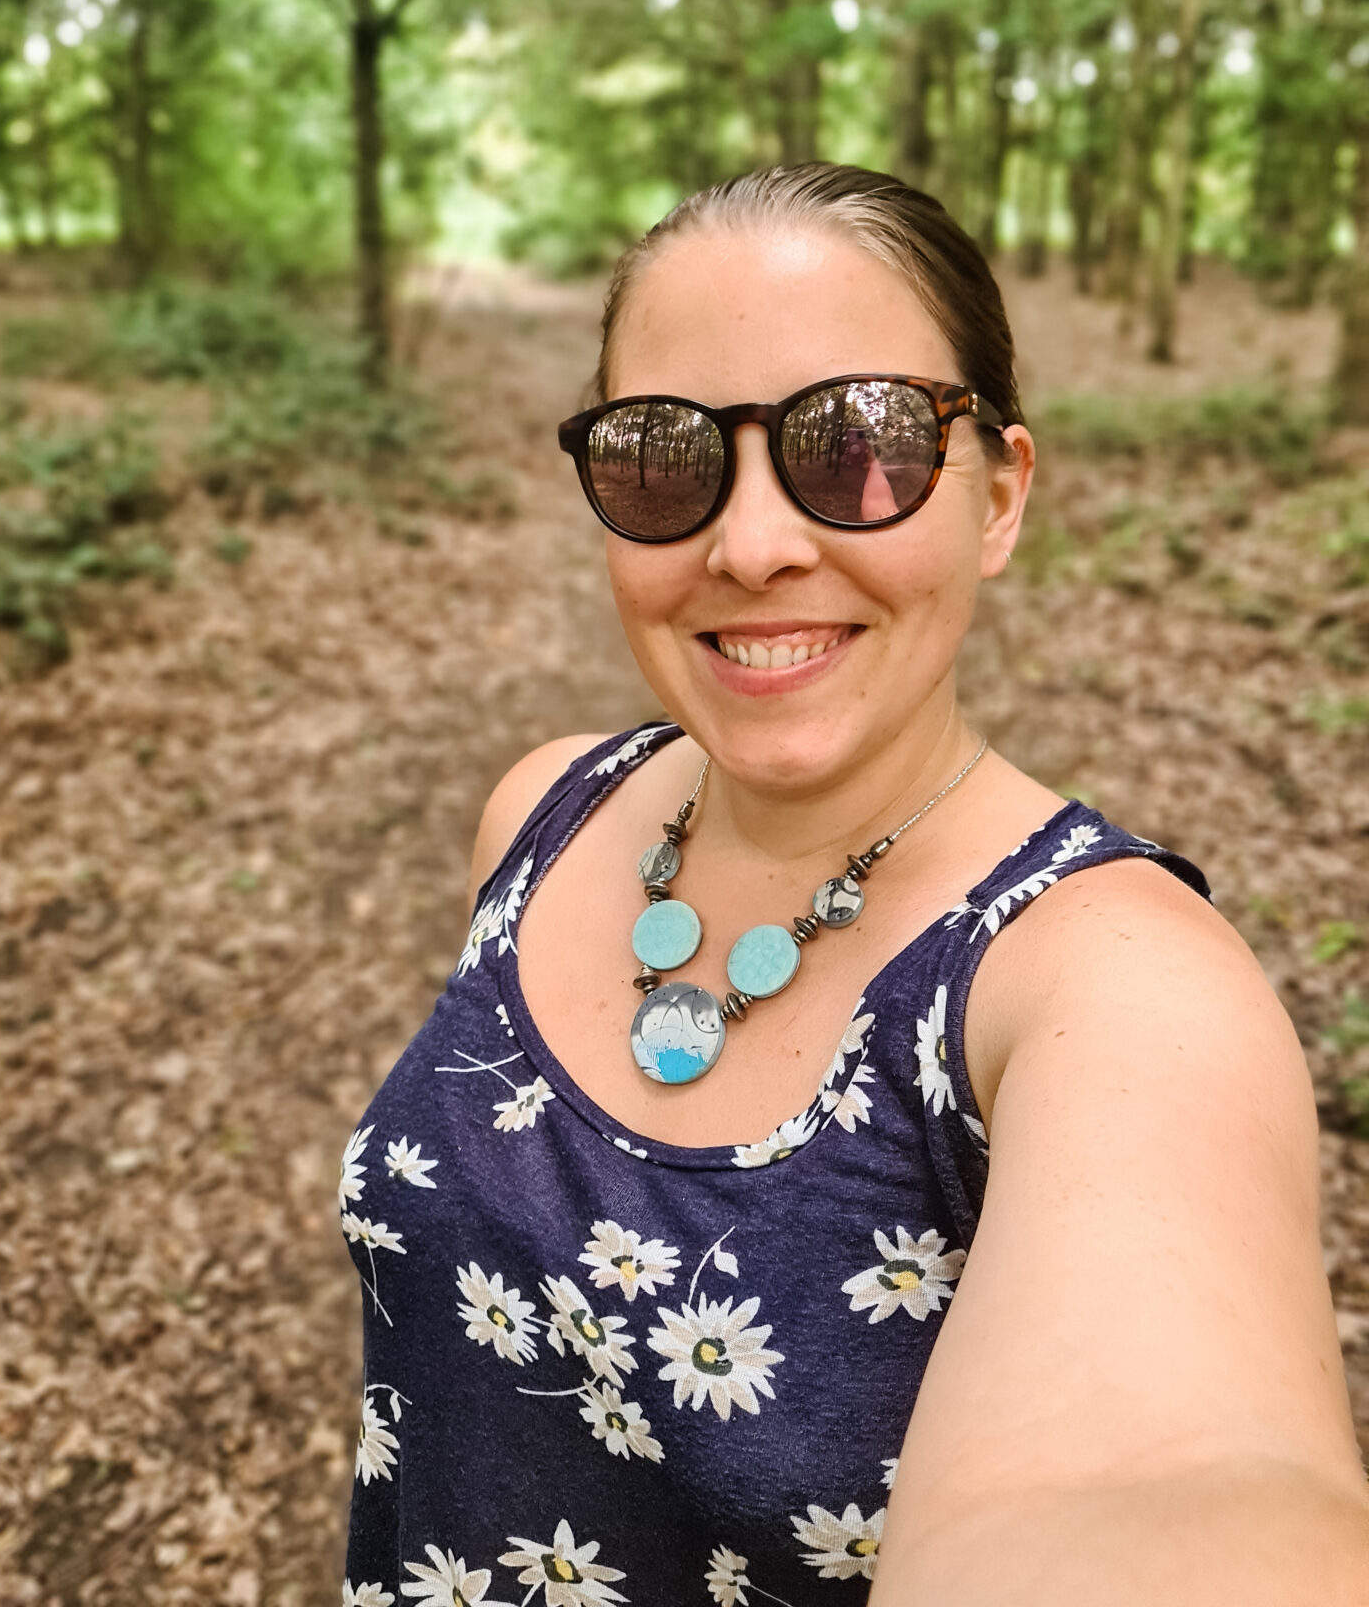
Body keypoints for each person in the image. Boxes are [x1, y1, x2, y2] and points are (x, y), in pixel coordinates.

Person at [340, 164, 1369, 1607]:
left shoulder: (1110, 985)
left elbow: (1176, 1489)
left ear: (1000, 495)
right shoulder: (543, 813)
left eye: (860, 446)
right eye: (662, 459)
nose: (752, 543)